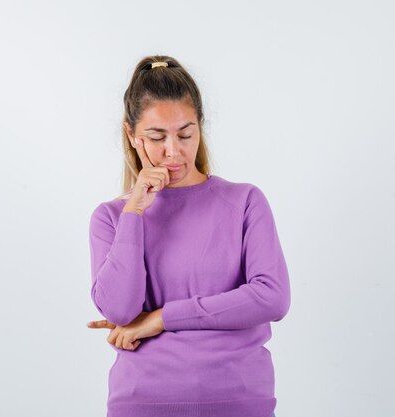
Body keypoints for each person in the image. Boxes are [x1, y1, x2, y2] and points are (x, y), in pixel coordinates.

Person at [86, 55, 290, 417]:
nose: (173, 151)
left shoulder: (244, 201)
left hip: (238, 401)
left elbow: (271, 297)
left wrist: (162, 317)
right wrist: (134, 213)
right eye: (156, 136)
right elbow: (120, 309)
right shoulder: (112, 218)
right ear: (132, 135)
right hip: (142, 403)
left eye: (185, 134)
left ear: (200, 128)